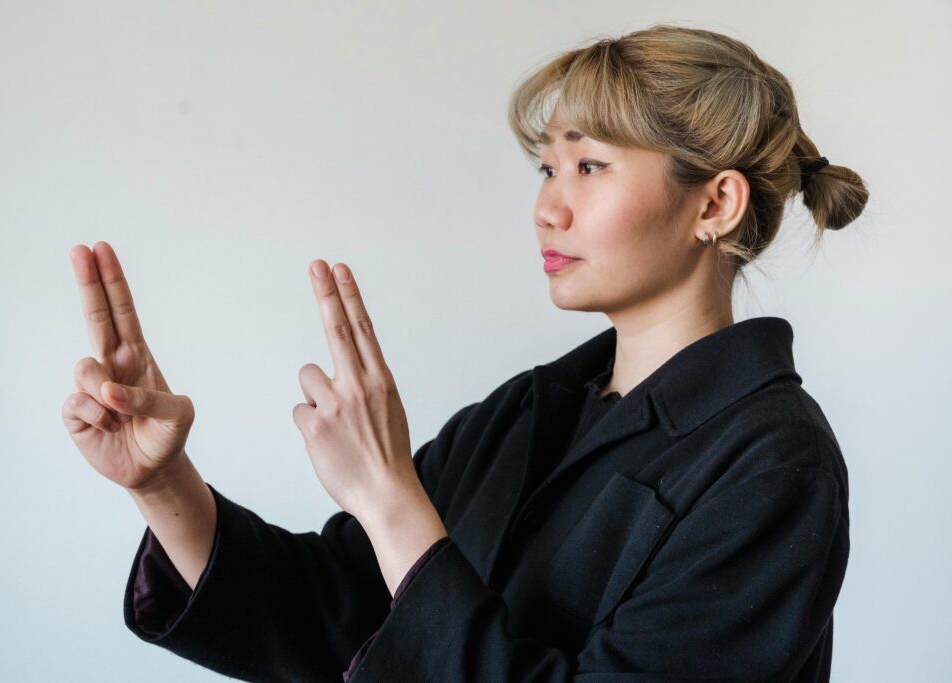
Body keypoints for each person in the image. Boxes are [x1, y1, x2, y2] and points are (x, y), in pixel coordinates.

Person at [62, 23, 867, 682]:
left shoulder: (774, 464)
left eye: (590, 165)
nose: (548, 207)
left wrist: (390, 500)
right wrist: (162, 481)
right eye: (547, 168)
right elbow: (336, 613)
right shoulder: (528, 409)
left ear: (716, 202)